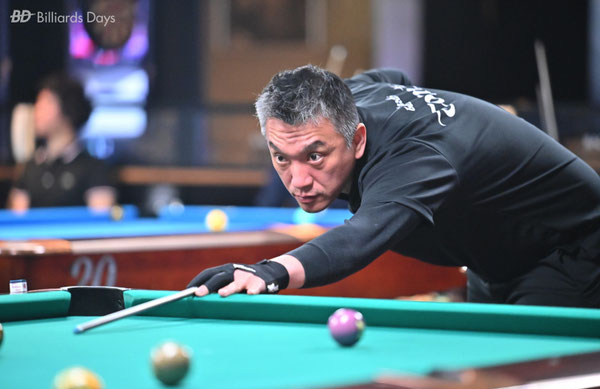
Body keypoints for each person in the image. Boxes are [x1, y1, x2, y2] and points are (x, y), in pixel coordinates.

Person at [188, 65, 600, 307]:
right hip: (495, 256)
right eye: (281, 157)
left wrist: (268, 272)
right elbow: (394, 77)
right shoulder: (348, 98)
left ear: (358, 139)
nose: (298, 181)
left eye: (315, 156)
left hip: (571, 250)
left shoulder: (415, 161)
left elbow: (359, 238)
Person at [7, 74, 116, 211]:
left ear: (68, 108)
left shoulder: (93, 168)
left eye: (46, 102)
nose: (37, 109)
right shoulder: (30, 167)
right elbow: (18, 218)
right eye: (38, 102)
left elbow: (101, 219)